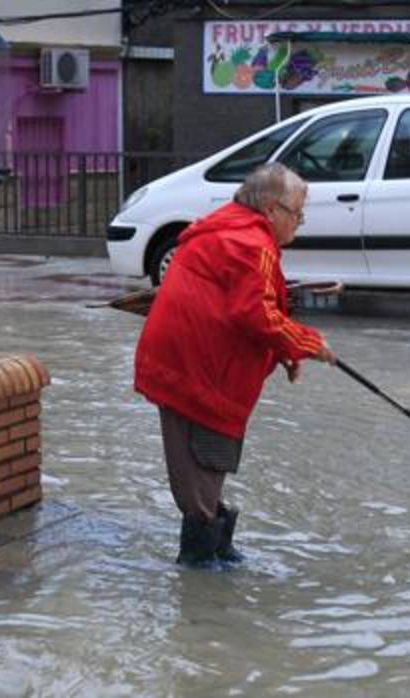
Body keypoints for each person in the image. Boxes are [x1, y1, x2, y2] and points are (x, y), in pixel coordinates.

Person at [134, 163, 335, 568]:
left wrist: (285, 353)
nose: (299, 222)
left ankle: (215, 552)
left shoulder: (237, 233)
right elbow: (256, 314)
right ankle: (201, 572)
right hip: (193, 370)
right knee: (199, 469)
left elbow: (247, 307)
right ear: (269, 208)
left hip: (199, 366)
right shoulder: (249, 243)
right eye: (296, 213)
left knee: (208, 461)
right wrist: (307, 344)